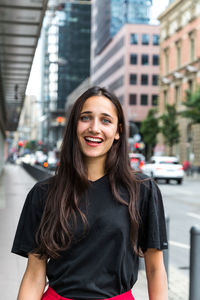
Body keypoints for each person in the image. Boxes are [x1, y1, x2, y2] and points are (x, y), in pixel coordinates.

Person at [12, 86, 168, 300]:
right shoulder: (43, 194)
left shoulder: (142, 190)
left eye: (106, 120)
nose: (94, 128)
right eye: (86, 118)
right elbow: (34, 274)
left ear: (118, 131)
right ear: (74, 125)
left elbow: (155, 270)